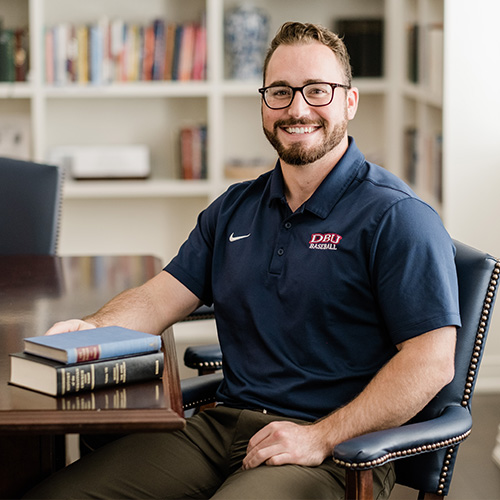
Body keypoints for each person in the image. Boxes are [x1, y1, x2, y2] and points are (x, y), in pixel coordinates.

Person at [26, 22, 460, 499]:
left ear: (349, 102)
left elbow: (431, 363)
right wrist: (94, 332)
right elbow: (159, 297)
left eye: (318, 91)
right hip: (223, 427)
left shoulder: (398, 217)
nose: (297, 109)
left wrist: (320, 436)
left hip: (337, 451)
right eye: (280, 92)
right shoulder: (234, 208)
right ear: (263, 104)